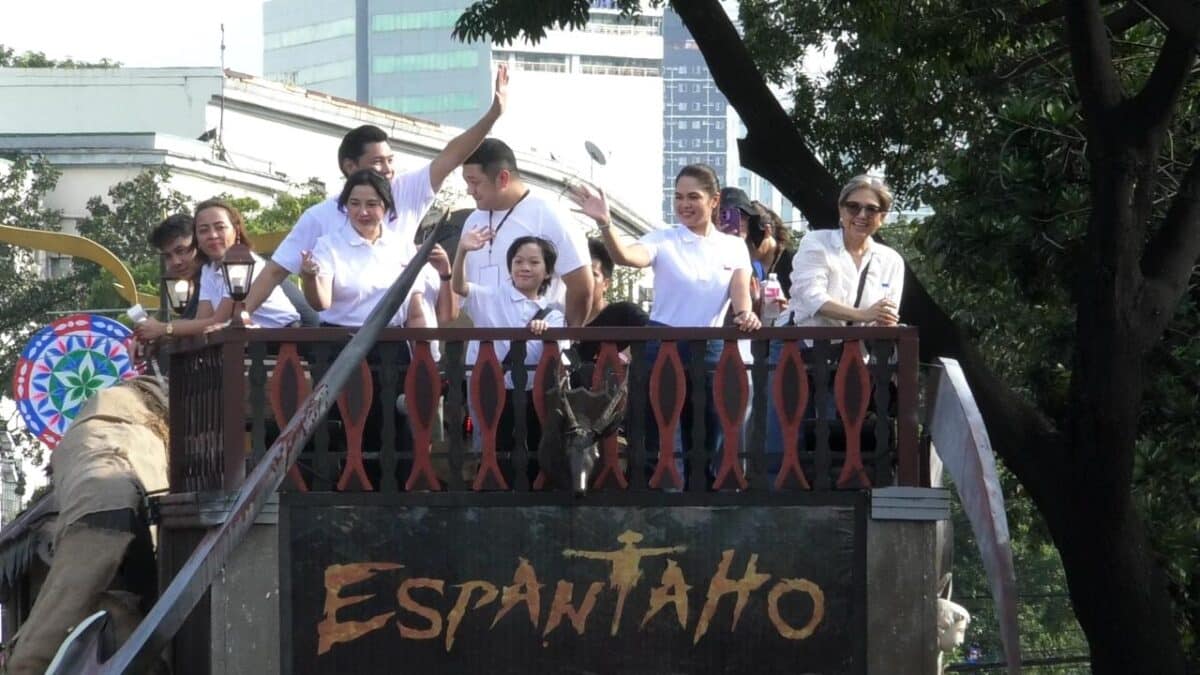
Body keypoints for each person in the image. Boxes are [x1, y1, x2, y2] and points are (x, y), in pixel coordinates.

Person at [240, 64, 510, 318]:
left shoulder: (404, 191)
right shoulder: (319, 220)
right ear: (350, 167)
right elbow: (275, 271)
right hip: (343, 340)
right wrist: (242, 314)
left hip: (402, 331)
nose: (388, 170)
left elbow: (451, 156)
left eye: (391, 161)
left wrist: (493, 115)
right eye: (378, 162)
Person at [570, 163, 760, 487]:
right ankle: (653, 503)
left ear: (714, 201)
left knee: (707, 432)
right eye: (679, 197)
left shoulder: (733, 246)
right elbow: (627, 256)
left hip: (711, 347)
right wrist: (605, 223)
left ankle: (702, 502)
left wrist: (746, 314)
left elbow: (740, 295)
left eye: (694, 197)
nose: (684, 204)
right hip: (661, 344)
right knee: (657, 432)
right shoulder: (664, 239)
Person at [452, 231, 566, 482]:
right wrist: (462, 251)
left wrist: (546, 332)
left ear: (547, 272)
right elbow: (458, 286)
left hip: (533, 395)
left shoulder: (553, 315)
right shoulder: (490, 297)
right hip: (493, 391)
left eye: (534, 262)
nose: (525, 267)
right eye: (518, 261)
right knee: (494, 449)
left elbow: (561, 355)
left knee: (535, 449)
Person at [459, 138, 592, 327]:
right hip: (484, 349)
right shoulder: (473, 221)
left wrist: (565, 339)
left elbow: (581, 287)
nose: (469, 191)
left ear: (503, 178)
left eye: (475, 182)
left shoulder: (548, 213)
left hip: (537, 345)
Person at [298, 170, 453, 329]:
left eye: (371, 204)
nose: (363, 212)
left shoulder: (402, 245)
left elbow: (415, 312)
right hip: (341, 343)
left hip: (392, 344)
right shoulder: (328, 246)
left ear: (385, 206)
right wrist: (310, 277)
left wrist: (422, 350)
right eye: (354, 203)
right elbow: (321, 303)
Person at [135, 200, 300, 340]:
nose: (212, 235)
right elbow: (202, 321)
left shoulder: (243, 262)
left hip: (285, 339)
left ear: (236, 230)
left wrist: (164, 329)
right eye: (203, 230)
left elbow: (219, 320)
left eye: (220, 227)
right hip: (248, 343)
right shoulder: (209, 269)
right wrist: (154, 331)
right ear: (197, 238)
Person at [788, 174, 904, 328]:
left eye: (871, 209)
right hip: (808, 347)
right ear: (841, 210)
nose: (862, 215)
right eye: (853, 207)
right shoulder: (816, 242)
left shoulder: (891, 260)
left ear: (881, 217)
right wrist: (863, 315)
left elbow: (884, 315)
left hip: (859, 350)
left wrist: (884, 322)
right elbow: (812, 298)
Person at [133, 214, 201, 342]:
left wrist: (162, 329)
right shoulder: (200, 285)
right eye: (168, 256)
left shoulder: (219, 275)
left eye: (181, 251)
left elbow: (206, 324)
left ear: (199, 243)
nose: (175, 262)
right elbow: (189, 326)